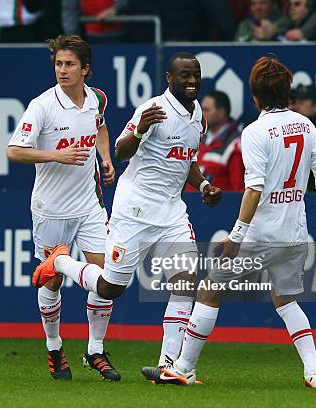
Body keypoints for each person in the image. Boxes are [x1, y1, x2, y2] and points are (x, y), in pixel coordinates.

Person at [31, 52, 223, 383]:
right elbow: (120, 151)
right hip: (134, 209)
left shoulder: (199, 118)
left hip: (172, 210)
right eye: (184, 76)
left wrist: (203, 184)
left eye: (195, 75)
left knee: (186, 282)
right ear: (169, 79)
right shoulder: (153, 111)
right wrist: (140, 130)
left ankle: (169, 365)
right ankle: (60, 263)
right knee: (110, 288)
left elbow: (185, 160)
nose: (191, 81)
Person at [161, 56, 316, 388]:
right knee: (285, 300)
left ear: (255, 95)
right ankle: (314, 372)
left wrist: (237, 235)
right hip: (295, 233)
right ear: (287, 92)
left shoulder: (255, 132)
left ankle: (183, 367)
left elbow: (253, 188)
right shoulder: (307, 125)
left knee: (210, 289)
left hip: (261, 234)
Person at [6, 35, 118, 381]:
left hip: (88, 204)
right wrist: (56, 154)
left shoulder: (96, 98)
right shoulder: (42, 106)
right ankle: (54, 347)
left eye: (69, 64)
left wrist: (105, 157)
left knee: (107, 277)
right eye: (58, 64)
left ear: (85, 68)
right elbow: (14, 150)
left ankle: (95, 350)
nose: (63, 70)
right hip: (50, 208)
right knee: (51, 281)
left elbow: (99, 126)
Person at [193, 90, 244, 192]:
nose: (201, 114)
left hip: (219, 206)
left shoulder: (235, 145)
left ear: (220, 113)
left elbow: (238, 190)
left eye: (206, 110)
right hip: (191, 205)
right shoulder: (199, 138)